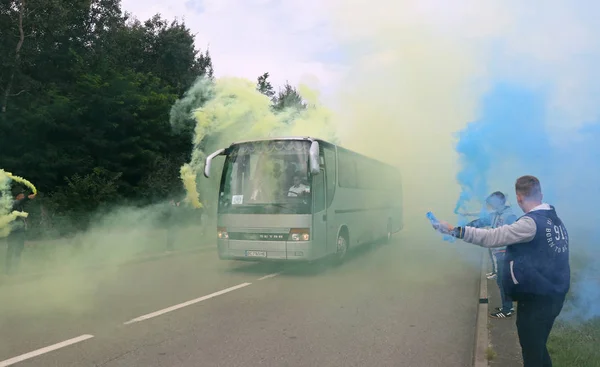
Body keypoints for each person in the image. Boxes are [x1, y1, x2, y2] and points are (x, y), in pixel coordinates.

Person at [433, 175, 570, 367]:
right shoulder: (554, 219)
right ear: (540, 193)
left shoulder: (530, 223)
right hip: (554, 295)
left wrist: (453, 230)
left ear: (519, 198)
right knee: (538, 348)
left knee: (531, 352)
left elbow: (492, 237)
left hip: (537, 301)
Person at [465, 191, 517, 318]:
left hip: (506, 252)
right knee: (501, 280)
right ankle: (507, 306)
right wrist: (462, 228)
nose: (490, 205)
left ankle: (507, 309)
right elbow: (480, 222)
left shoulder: (509, 216)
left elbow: (514, 235)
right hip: (498, 251)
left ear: (498, 202)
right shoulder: (495, 214)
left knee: (503, 280)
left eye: (492, 202)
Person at [5, 188, 36, 275]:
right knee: (11, 250)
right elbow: (20, 202)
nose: (23, 196)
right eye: (21, 195)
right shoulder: (12, 203)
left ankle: (15, 270)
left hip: (20, 232)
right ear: (17, 197)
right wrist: (28, 198)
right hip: (13, 232)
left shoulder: (19, 205)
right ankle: (8, 270)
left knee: (18, 250)